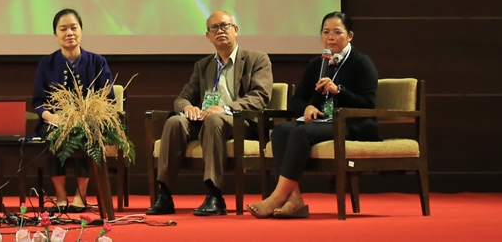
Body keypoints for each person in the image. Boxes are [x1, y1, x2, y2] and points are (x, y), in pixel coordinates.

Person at [247, 11, 380, 219]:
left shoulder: (362, 63)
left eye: (337, 32)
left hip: (352, 124)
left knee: (302, 133)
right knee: (282, 130)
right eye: (326, 32)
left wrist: (339, 91)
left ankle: (276, 198)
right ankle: (295, 199)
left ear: (350, 36)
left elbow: (369, 104)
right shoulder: (318, 64)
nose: (330, 37)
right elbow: (297, 100)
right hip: (322, 122)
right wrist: (307, 108)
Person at [146, 11, 272, 217]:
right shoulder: (204, 65)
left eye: (225, 26)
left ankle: (215, 195)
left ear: (236, 30)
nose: (220, 31)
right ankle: (165, 194)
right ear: (208, 36)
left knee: (214, 119)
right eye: (214, 28)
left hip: (241, 123)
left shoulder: (256, 59)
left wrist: (225, 108)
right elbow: (183, 97)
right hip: (207, 121)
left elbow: (260, 96)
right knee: (175, 121)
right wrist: (187, 107)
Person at [33, 8, 114, 214]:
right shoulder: (46, 63)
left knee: (87, 134)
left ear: (82, 31)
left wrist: (86, 117)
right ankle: (60, 196)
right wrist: (52, 117)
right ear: (55, 35)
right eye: (63, 29)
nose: (69, 33)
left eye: (73, 28)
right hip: (55, 121)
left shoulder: (97, 62)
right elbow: (38, 101)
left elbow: (107, 98)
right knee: (52, 135)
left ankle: (81, 195)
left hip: (89, 121)